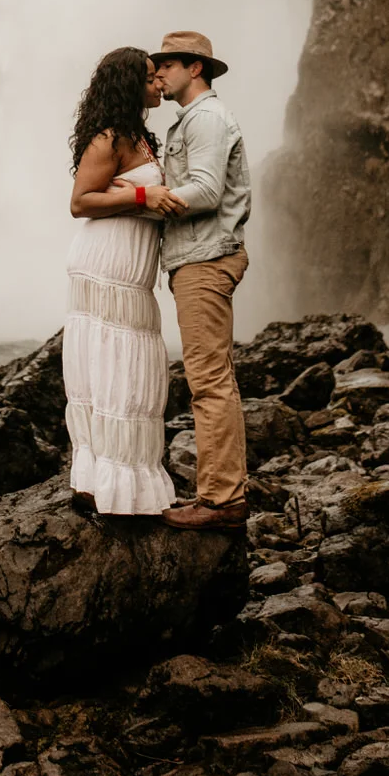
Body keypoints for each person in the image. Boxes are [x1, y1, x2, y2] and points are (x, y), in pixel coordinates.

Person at [64, 47, 188, 515]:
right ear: (128, 84)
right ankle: (105, 485)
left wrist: (139, 193)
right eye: (151, 78)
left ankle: (123, 485)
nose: (159, 85)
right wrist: (141, 193)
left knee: (128, 365)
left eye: (160, 77)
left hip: (130, 266)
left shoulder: (142, 137)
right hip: (105, 261)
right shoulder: (110, 138)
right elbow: (80, 202)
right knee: (109, 364)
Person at [152, 32, 252, 532]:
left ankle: (222, 500)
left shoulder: (206, 118)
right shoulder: (192, 120)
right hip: (199, 258)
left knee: (209, 380)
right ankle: (221, 493)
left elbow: (209, 190)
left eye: (166, 64)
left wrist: (149, 197)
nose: (158, 73)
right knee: (210, 377)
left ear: (196, 68)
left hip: (206, 259)